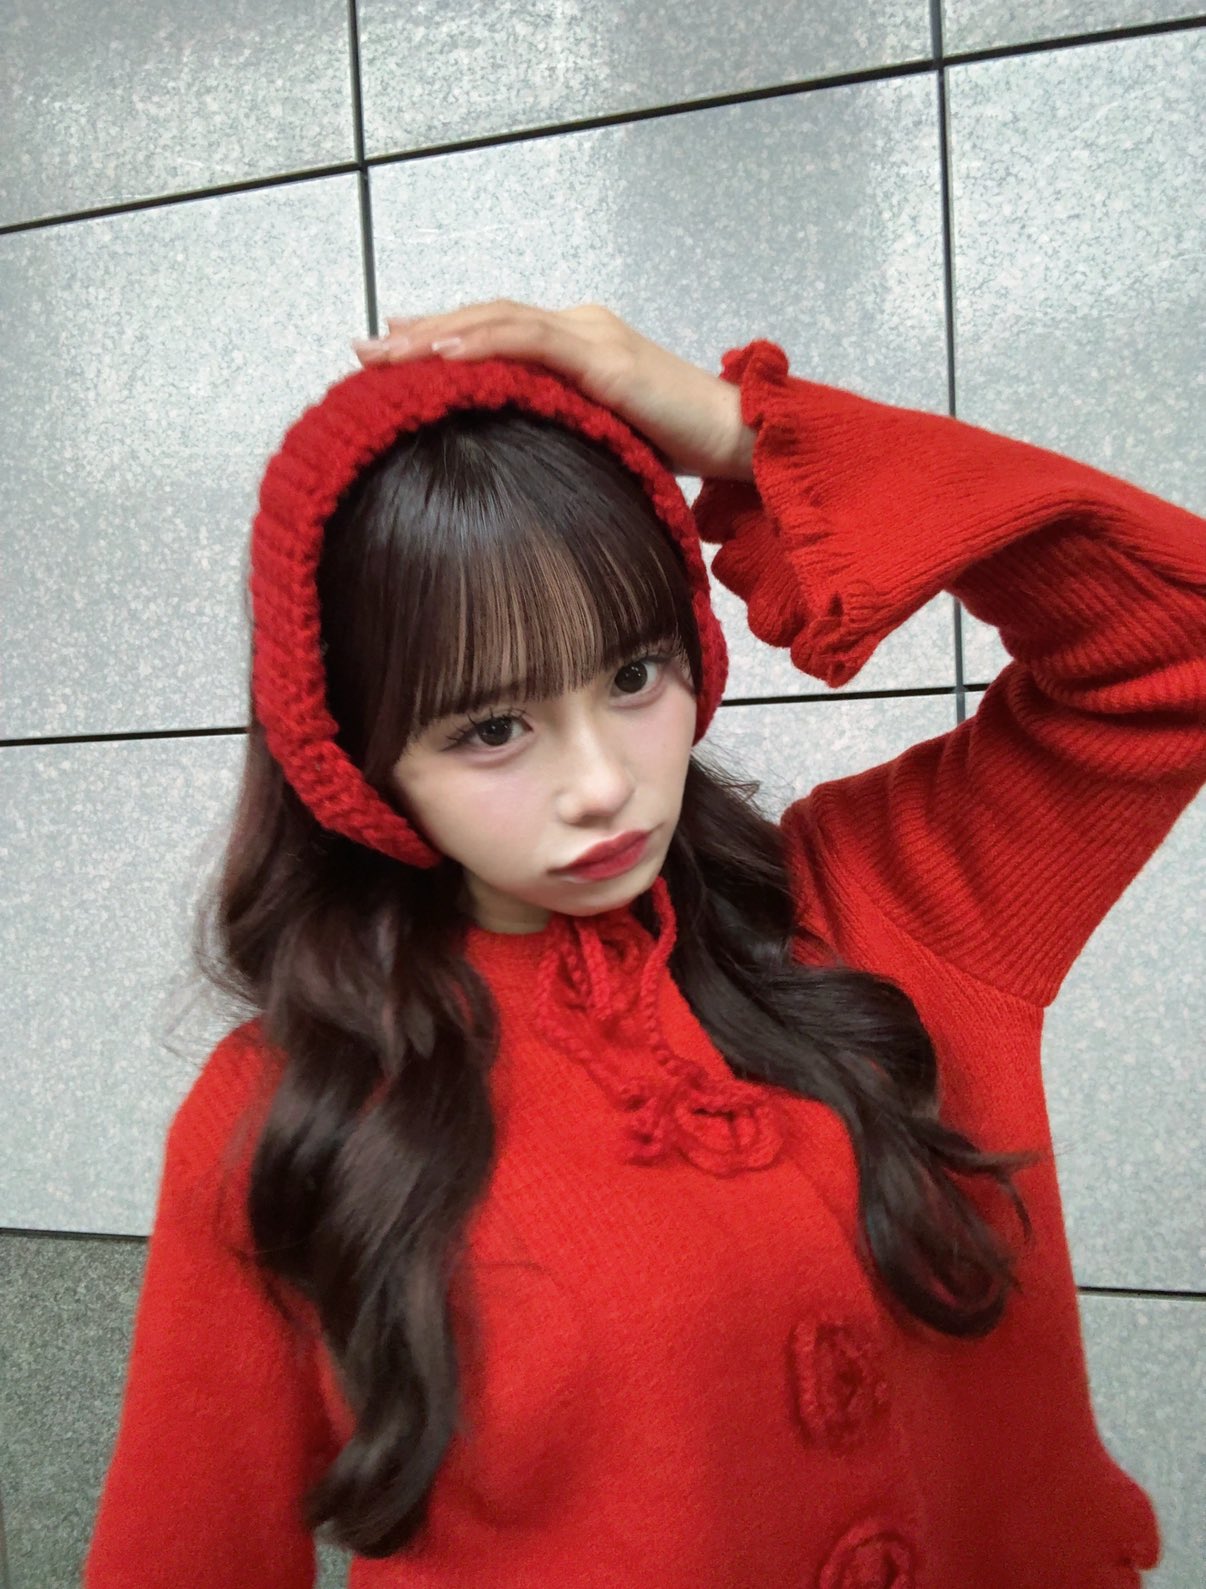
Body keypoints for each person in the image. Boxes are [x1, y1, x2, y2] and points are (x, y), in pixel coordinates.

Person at [84, 301, 1206, 1588]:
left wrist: (744, 433)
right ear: (358, 752)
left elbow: (1175, 637)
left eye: (633, 676)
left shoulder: (881, 906)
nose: (603, 784)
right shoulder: (292, 1109)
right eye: (491, 728)